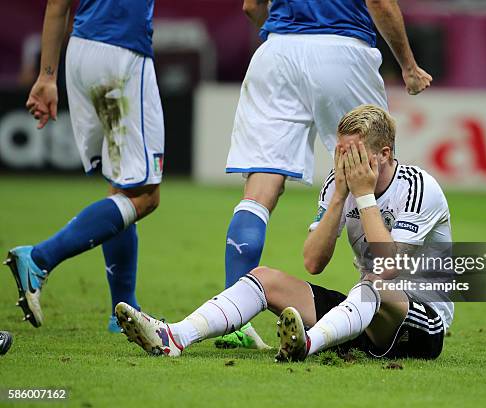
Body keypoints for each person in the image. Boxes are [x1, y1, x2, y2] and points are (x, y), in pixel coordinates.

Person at [115, 105, 453, 361]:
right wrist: (338, 196)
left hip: (420, 321)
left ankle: (308, 343)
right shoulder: (338, 186)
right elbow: (313, 261)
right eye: (341, 153)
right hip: (361, 314)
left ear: (384, 154)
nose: (347, 164)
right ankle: (174, 336)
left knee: (374, 283)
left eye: (355, 155)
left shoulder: (418, 188)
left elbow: (388, 268)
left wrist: (363, 195)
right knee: (264, 278)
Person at [217, 0, 433, 349]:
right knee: (375, 166)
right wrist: (407, 64)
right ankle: (393, 301)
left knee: (257, 193)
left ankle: (233, 320)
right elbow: (379, 3)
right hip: (343, 49)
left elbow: (251, 6)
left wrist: (279, 37)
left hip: (278, 50)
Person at [5, 0, 164, 331]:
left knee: (121, 187)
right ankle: (38, 258)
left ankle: (122, 313)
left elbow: (57, 4)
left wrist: (47, 75)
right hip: (122, 54)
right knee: (146, 195)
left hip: (79, 53)